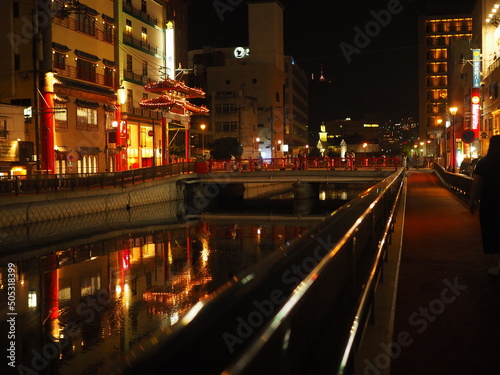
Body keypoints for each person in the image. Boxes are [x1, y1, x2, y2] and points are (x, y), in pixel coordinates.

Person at [469, 135, 500, 276]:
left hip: (489, 202)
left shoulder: (484, 162)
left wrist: (472, 201)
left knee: (492, 232)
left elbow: (476, 183)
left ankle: (496, 265)